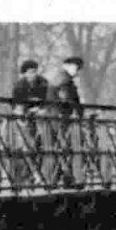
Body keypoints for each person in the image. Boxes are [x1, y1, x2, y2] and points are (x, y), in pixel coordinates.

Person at [45, 54, 84, 185]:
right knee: (65, 148)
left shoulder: (61, 79)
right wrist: (77, 112)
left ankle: (58, 178)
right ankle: (66, 178)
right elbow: (66, 100)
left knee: (62, 148)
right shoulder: (64, 80)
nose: (77, 71)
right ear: (67, 66)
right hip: (62, 119)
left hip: (58, 118)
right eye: (75, 67)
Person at [9, 59, 47, 187]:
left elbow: (46, 101)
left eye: (35, 72)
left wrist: (40, 108)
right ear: (24, 74)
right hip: (23, 119)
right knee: (25, 146)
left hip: (38, 118)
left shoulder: (43, 83)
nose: (33, 75)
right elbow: (16, 105)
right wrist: (25, 111)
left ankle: (37, 175)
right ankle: (29, 176)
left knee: (40, 145)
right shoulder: (19, 86)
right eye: (30, 72)